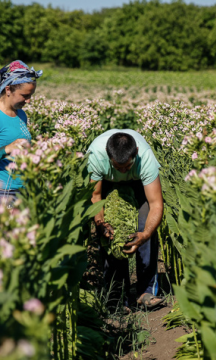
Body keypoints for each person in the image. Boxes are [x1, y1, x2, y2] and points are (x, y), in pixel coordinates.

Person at [88, 129, 165, 310]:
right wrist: (101, 224)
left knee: (145, 225)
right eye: (118, 167)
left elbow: (156, 204)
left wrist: (145, 234)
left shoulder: (145, 158)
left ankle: (146, 292)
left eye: (127, 167)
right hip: (106, 181)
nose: (122, 171)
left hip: (138, 182)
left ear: (136, 153)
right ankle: (116, 297)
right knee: (109, 235)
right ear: (108, 156)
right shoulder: (95, 156)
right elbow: (95, 196)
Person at [0, 60, 42, 208]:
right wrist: (6, 149)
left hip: (23, 191)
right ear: (8, 89)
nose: (28, 101)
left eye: (31, 95)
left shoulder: (21, 114)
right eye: (24, 95)